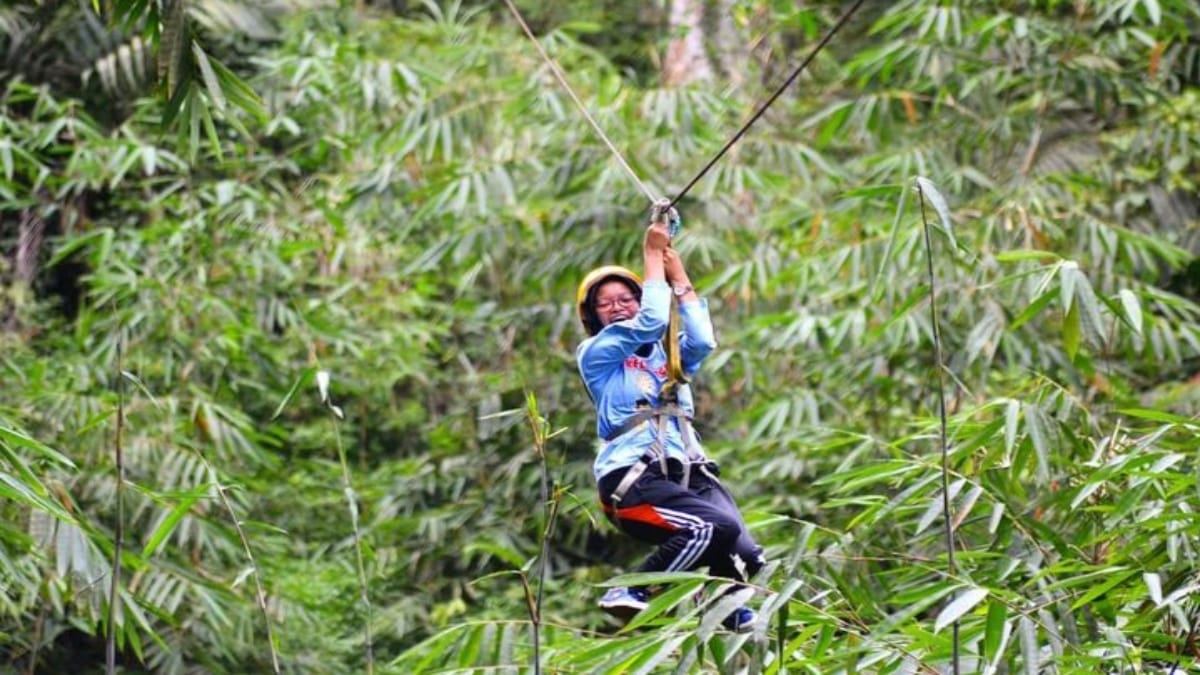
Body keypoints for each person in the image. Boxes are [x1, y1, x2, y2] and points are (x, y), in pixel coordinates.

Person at [575, 218, 766, 633]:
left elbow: (702, 341)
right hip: (633, 478)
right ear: (593, 315)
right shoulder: (597, 354)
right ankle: (633, 591)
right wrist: (650, 255)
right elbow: (650, 323)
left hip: (685, 473)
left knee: (748, 555)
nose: (619, 307)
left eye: (627, 298)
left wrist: (676, 272)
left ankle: (727, 607)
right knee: (714, 526)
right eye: (606, 304)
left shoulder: (666, 360)